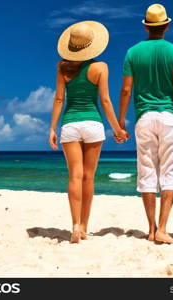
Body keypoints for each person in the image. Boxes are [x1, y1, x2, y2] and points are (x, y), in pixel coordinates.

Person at [118, 4, 173, 244]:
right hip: (170, 118)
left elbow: (126, 89)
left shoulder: (132, 52)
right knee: (169, 174)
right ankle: (162, 228)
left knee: (147, 173)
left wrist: (121, 121)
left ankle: (150, 230)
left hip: (144, 118)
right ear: (167, 26)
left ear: (146, 27)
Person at [49, 21, 128, 243]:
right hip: (93, 125)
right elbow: (105, 100)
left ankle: (74, 225)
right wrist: (118, 129)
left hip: (70, 125)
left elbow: (59, 98)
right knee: (88, 178)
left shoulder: (63, 67)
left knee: (74, 175)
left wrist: (52, 128)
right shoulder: (100, 67)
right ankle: (84, 226)